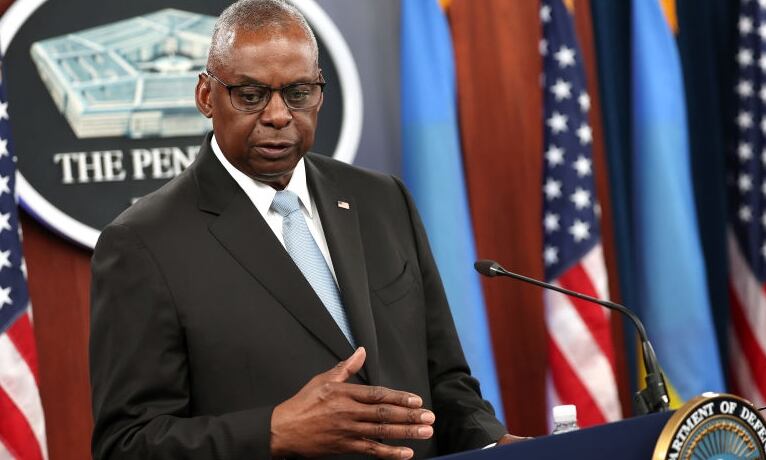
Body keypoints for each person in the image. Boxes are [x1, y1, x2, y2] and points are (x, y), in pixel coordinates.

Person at [89, 0, 521, 458]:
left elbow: (444, 378)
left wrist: (494, 442)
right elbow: (126, 445)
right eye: (251, 95)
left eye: (298, 93)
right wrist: (273, 431)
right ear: (205, 96)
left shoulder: (382, 199)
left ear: (319, 93)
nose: (278, 115)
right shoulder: (144, 243)